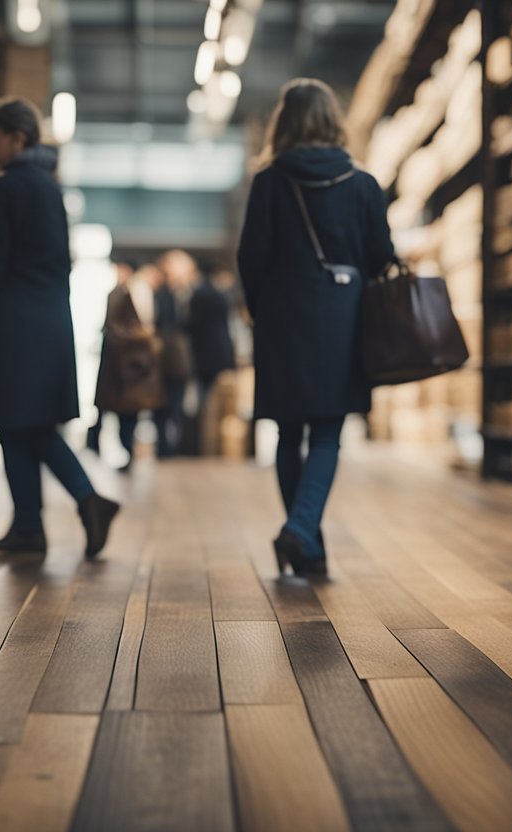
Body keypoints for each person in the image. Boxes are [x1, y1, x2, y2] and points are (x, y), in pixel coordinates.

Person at [237, 78, 395, 577]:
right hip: (341, 319)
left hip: (282, 319)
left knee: (288, 432)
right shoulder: (362, 184)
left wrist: (264, 311)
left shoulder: (268, 182)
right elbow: (382, 258)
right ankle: (302, 532)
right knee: (327, 432)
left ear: (285, 122)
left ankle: (307, 541)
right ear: (333, 121)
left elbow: (250, 259)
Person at [0, 97, 119, 558]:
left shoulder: (8, 190)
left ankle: (81, 503)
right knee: (25, 424)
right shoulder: (50, 188)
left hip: (12, 323)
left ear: (18, 138)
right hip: (47, 321)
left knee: (21, 424)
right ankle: (30, 524)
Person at [90, 262, 165, 471]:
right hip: (125, 364)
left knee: (125, 412)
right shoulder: (122, 294)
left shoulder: (129, 293)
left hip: (127, 365)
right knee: (122, 411)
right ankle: (114, 448)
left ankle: (123, 450)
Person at [185, 265, 237, 453]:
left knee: (204, 402)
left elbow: (191, 324)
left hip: (202, 355)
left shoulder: (199, 295)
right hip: (220, 353)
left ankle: (202, 445)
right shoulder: (220, 296)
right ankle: (211, 446)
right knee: (214, 402)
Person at [152, 250, 195, 457]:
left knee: (175, 405)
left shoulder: (185, 294)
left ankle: (175, 447)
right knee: (163, 405)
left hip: (177, 359)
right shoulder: (161, 295)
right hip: (165, 358)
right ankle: (166, 447)